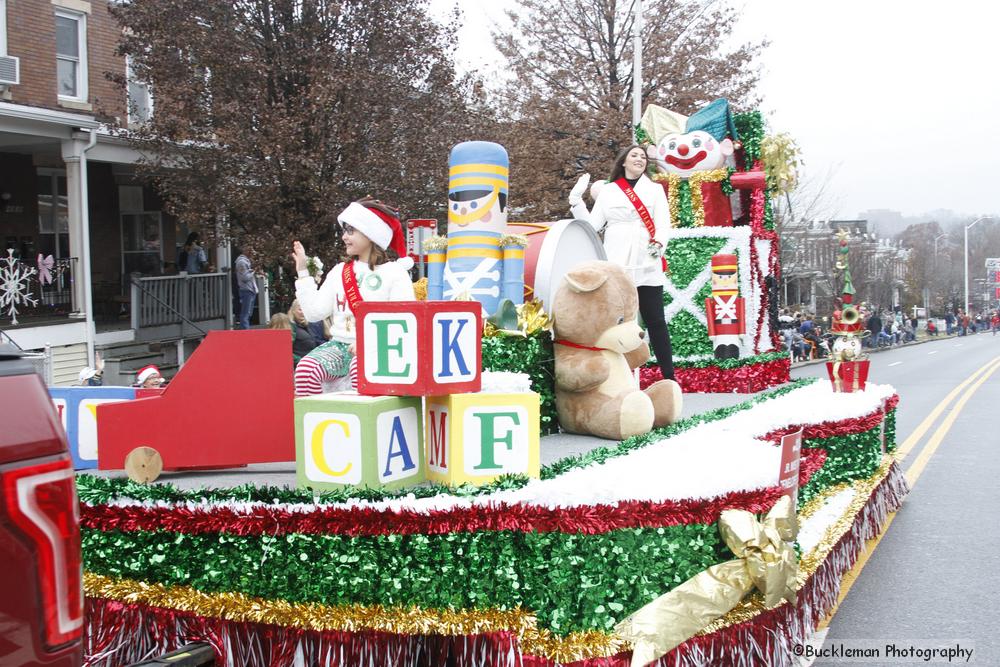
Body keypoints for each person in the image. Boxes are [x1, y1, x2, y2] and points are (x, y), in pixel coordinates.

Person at [567, 144, 676, 380]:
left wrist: (658, 243)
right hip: (616, 261)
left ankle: (670, 378)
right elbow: (592, 227)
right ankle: (616, 378)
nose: (640, 159)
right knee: (615, 322)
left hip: (646, 258)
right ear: (623, 161)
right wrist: (576, 202)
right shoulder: (608, 192)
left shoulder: (655, 190)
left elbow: (663, 223)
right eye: (634, 155)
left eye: (643, 157)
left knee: (656, 319)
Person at [291, 199, 415, 396]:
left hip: (381, 349)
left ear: (371, 234)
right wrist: (303, 272)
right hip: (340, 346)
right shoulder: (340, 271)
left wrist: (370, 343)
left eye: (351, 231)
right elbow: (314, 313)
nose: (344, 237)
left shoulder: (395, 273)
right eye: (344, 231)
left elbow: (404, 322)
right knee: (306, 370)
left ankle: (365, 425)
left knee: (362, 369)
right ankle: (321, 423)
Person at [288, 299, 324, 366]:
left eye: (305, 310)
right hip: (300, 368)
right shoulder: (290, 326)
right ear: (293, 310)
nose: (303, 312)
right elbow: (286, 351)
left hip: (312, 365)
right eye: (300, 309)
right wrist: (301, 361)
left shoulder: (308, 325)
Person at [235, 245, 258, 329]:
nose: (252, 253)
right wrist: (253, 271)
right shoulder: (241, 262)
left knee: (248, 313)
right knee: (245, 313)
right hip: (246, 290)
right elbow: (245, 278)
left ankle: (246, 330)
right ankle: (245, 332)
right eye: (250, 251)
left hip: (251, 290)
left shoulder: (247, 261)